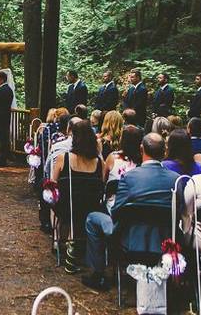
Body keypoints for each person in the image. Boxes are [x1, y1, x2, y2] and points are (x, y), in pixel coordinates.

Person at [82, 133, 178, 291]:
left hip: (129, 240)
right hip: (163, 239)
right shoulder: (175, 179)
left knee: (93, 218)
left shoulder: (129, 177)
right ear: (164, 152)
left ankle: (97, 273)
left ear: (142, 150)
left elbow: (117, 212)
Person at [51, 120, 104, 272]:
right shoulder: (99, 162)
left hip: (66, 207)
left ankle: (64, 242)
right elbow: (102, 184)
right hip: (90, 207)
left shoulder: (64, 158)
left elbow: (53, 183)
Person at [103, 125, 141, 210]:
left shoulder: (112, 157)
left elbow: (104, 179)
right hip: (135, 206)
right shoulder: (142, 162)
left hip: (113, 205)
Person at [0, 71, 15, 167]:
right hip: (5, 117)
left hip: (1, 118)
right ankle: (4, 158)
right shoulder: (8, 89)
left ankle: (2, 160)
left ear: (2, 80)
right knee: (4, 138)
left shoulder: (1, 91)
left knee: (2, 139)